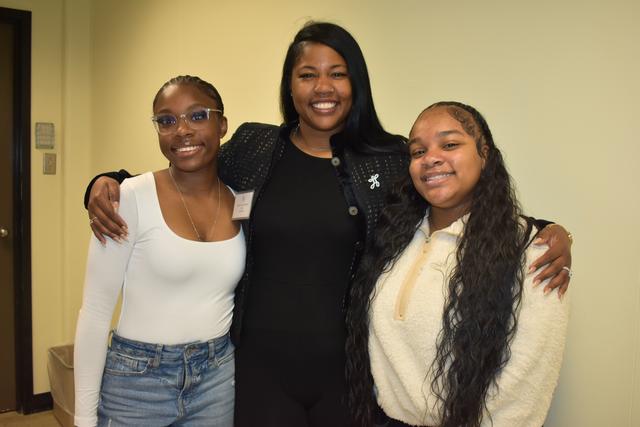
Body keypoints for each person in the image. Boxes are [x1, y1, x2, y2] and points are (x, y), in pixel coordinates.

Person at [83, 23, 573, 427]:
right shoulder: (255, 147)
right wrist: (111, 181)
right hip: (257, 371)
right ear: (289, 86)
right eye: (307, 74)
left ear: (355, 83)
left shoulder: (390, 157)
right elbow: (193, 170)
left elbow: (453, 195)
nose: (323, 87)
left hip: (347, 375)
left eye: (337, 74)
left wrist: (545, 229)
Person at [346, 102, 570, 427]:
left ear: (484, 154)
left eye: (450, 144)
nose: (431, 158)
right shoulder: (393, 240)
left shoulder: (532, 249)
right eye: (418, 151)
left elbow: (528, 380)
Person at [74, 76, 244, 427]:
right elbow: (94, 313)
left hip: (216, 380)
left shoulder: (242, 201)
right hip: (137, 383)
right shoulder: (128, 197)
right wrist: (83, 418)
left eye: (198, 115)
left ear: (222, 124)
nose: (182, 130)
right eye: (166, 120)